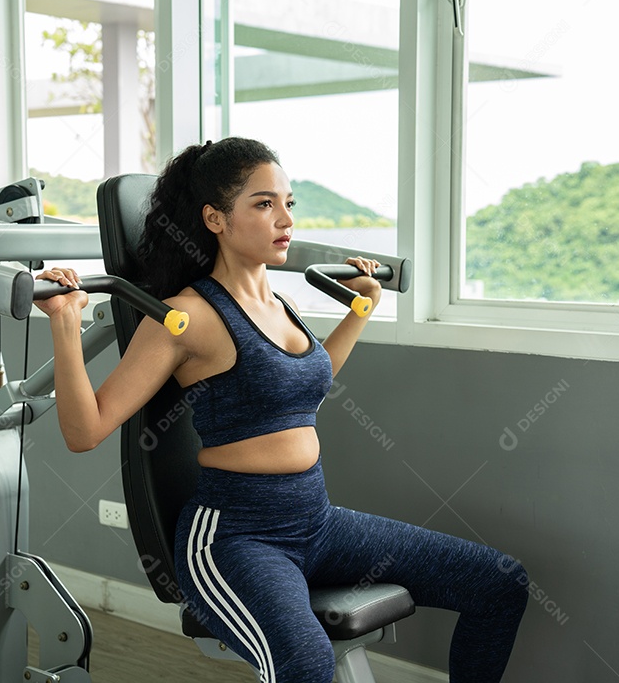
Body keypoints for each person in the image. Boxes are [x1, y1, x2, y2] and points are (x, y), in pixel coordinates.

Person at [33, 137, 527, 683]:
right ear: (215, 219)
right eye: (264, 204)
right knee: (305, 664)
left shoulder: (278, 304)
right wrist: (64, 326)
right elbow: (86, 429)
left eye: (289, 203)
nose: (284, 218)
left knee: (499, 582)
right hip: (234, 538)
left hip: (315, 522)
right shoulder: (185, 316)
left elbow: (301, 387)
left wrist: (359, 310)